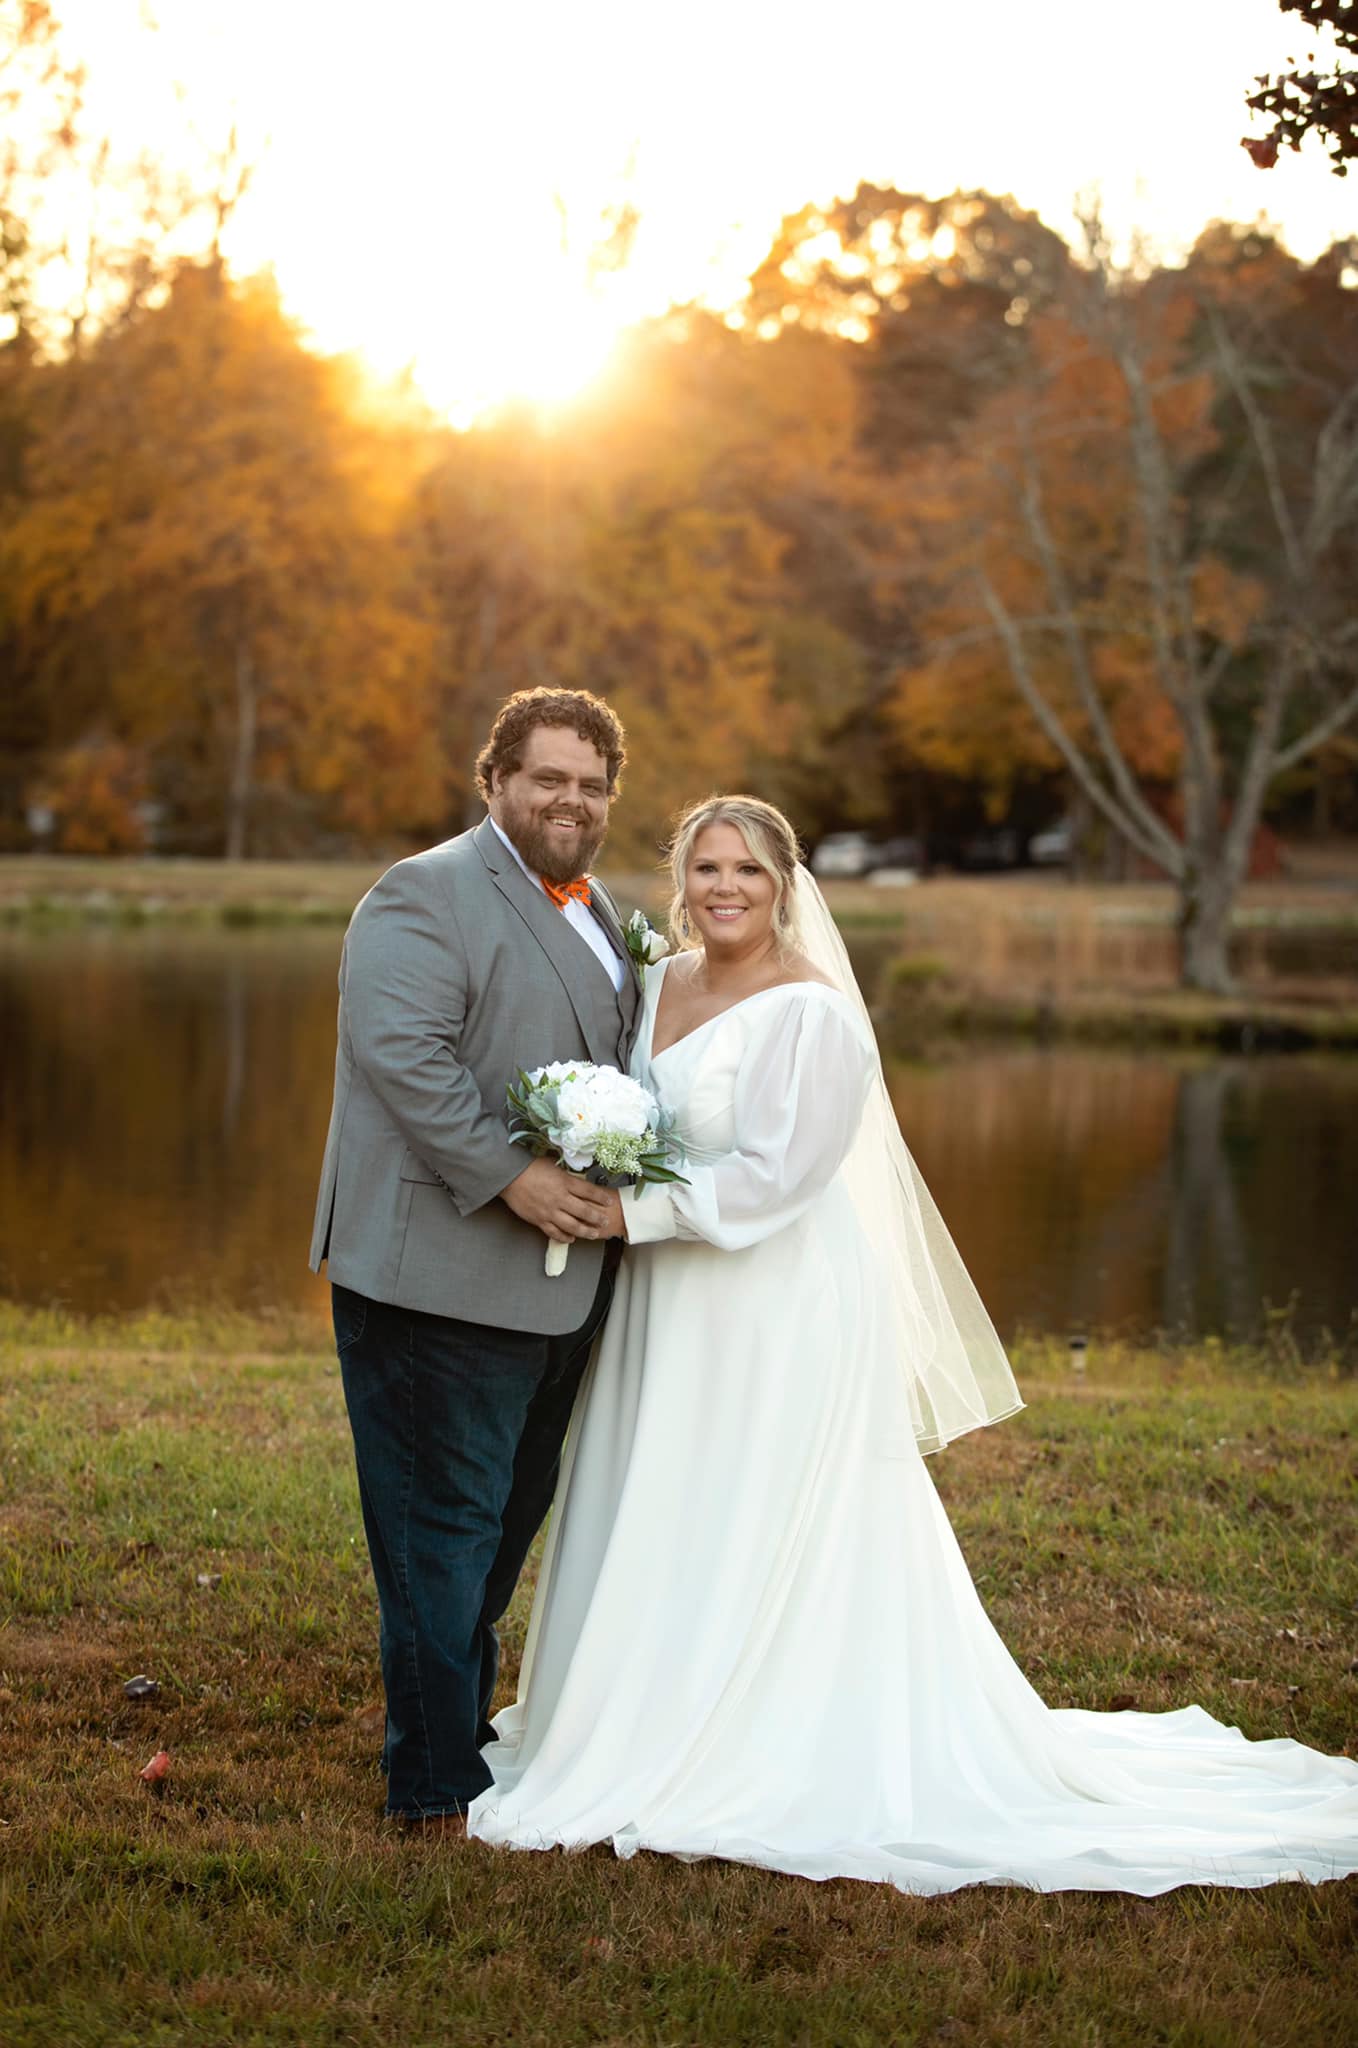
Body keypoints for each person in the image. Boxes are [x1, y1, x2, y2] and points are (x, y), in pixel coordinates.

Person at [467, 795, 1358, 1893]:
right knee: (667, 1482)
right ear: (680, 877)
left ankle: (752, 1724)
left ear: (785, 881)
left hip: (769, 1291)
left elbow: (782, 1172)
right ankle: (631, 1704)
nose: (724, 886)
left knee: (754, 1491)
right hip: (665, 1298)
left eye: (746, 867)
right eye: (704, 867)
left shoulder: (816, 1011)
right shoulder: (658, 981)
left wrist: (628, 1212)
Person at [309, 687, 638, 1829]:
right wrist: (515, 1177)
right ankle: (434, 1783)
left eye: (591, 785)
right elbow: (401, 1053)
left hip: (558, 1299)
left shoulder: (603, 908)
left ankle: (459, 1734)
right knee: (436, 1541)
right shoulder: (425, 892)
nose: (571, 800)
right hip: (431, 1277)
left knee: (497, 1533)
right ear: (493, 777)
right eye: (548, 777)